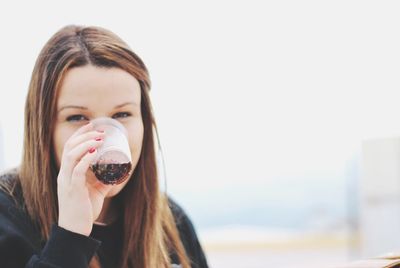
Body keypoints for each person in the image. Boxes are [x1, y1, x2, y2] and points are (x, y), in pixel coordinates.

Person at [0, 25, 209, 268]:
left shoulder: (171, 222)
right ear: (43, 130)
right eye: (77, 117)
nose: (104, 137)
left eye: (122, 114)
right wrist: (70, 236)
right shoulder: (8, 217)